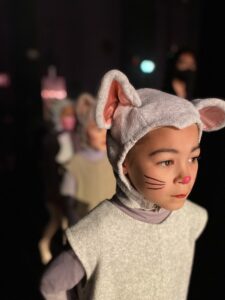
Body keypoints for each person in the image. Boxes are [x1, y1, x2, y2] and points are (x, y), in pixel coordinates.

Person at [40, 69, 225, 300]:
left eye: (192, 158)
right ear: (124, 160)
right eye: (166, 161)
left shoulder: (191, 218)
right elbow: (51, 284)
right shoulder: (99, 231)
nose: (185, 176)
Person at [59, 92, 116, 223]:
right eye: (97, 129)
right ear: (85, 130)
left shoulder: (113, 160)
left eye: (106, 129)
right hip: (85, 225)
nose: (103, 135)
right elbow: (68, 204)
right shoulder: (75, 163)